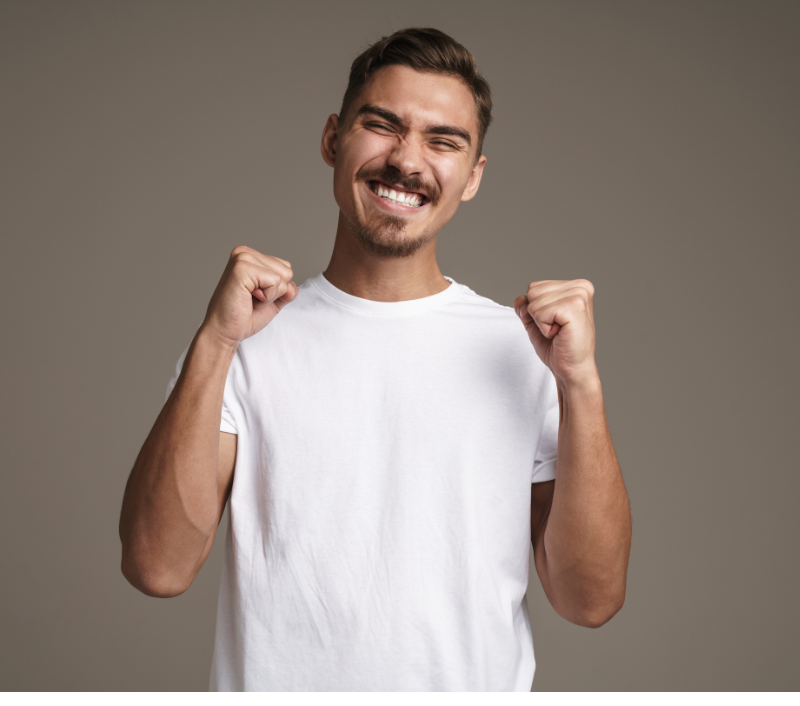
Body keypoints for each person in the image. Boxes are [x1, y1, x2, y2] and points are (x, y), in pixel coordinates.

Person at [119, 27, 632, 691]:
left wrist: (582, 384)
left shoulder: (526, 352)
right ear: (333, 139)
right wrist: (214, 343)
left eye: (442, 141)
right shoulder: (244, 339)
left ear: (472, 177)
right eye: (383, 125)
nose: (407, 160)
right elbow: (157, 567)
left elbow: (589, 601)